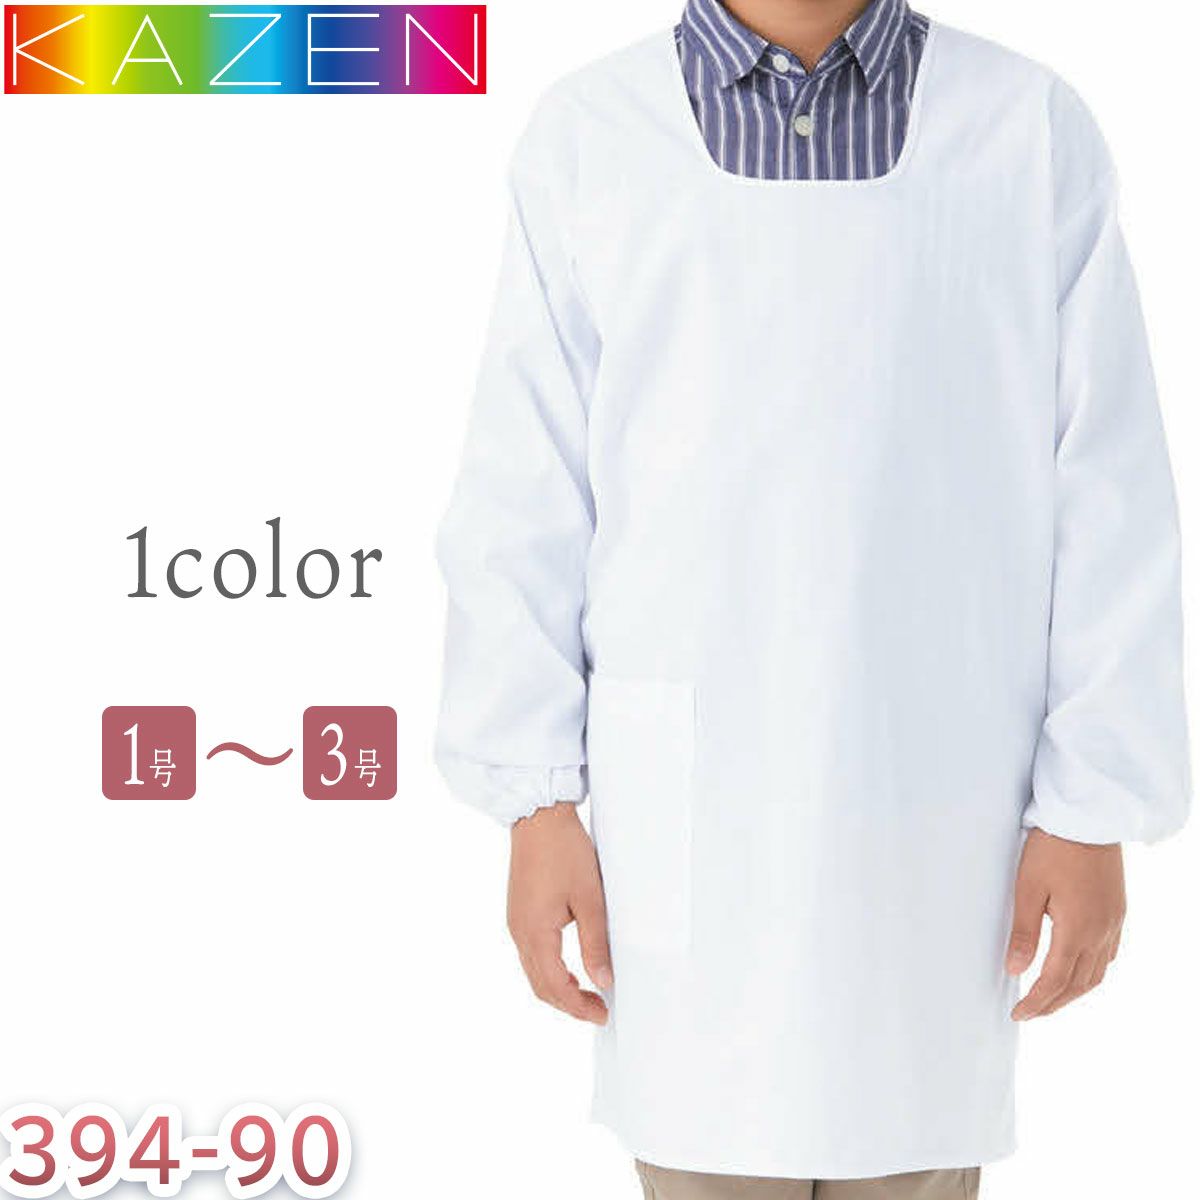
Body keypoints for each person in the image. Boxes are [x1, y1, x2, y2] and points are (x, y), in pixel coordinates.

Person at [435, 0, 1190, 1196]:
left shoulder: (1027, 131)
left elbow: (1110, 491)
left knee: (909, 1136)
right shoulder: (590, 136)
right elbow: (524, 495)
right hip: (682, 827)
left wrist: (1094, 805)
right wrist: (534, 801)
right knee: (704, 1138)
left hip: (937, 817)